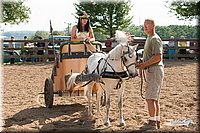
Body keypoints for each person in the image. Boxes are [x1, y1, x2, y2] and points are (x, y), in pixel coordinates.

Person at [137, 19, 164, 130]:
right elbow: (151, 56)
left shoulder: (154, 39)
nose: (145, 27)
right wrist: (143, 61)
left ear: (153, 25)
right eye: (144, 25)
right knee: (154, 98)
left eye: (147, 25)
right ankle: (156, 119)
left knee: (150, 98)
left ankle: (152, 122)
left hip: (154, 70)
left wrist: (144, 64)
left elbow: (158, 56)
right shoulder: (150, 38)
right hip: (153, 69)